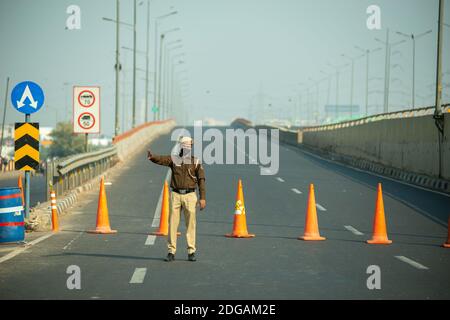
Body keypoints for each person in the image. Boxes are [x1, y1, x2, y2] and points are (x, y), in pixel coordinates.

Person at [147, 136, 206, 262]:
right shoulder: (174, 159)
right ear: (181, 146)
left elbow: (201, 180)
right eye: (185, 145)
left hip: (190, 196)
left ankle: (191, 251)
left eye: (189, 145)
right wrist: (152, 157)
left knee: (191, 224)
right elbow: (162, 159)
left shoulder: (195, 161)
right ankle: (171, 251)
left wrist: (202, 198)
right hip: (176, 195)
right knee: (172, 224)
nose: (187, 147)